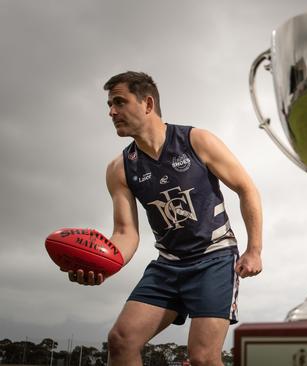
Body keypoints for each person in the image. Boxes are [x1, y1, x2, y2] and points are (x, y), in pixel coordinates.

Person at [66, 71, 263, 366]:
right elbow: (125, 232)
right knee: (120, 341)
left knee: (203, 358)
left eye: (119, 102)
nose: (111, 112)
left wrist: (254, 249)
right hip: (168, 265)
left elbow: (246, 189)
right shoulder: (120, 168)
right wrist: (102, 265)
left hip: (214, 259)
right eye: (109, 105)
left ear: (147, 104)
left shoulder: (197, 140)